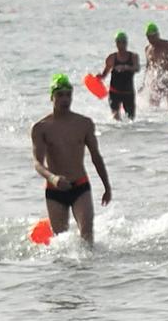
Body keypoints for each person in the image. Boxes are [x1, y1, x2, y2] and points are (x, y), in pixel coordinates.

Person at [30, 74, 113, 244]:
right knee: (62, 242)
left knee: (87, 236)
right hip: (55, 190)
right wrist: (53, 178)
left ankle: (91, 271)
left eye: (68, 94)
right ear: (51, 97)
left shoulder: (84, 124)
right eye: (60, 95)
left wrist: (107, 186)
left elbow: (96, 157)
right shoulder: (41, 128)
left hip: (80, 186)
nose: (65, 99)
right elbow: (37, 163)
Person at [98, 31, 140, 121]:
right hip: (114, 92)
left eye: (123, 42)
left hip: (128, 92)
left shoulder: (133, 56)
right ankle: (117, 134)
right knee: (115, 118)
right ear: (116, 43)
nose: (121, 44)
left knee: (131, 119)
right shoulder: (112, 58)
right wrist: (99, 77)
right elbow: (105, 74)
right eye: (119, 42)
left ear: (126, 43)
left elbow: (137, 68)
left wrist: (126, 67)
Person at [144, 22, 168, 108]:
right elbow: (148, 68)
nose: (151, 39)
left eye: (153, 36)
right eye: (149, 37)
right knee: (153, 108)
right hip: (155, 83)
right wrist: (144, 84)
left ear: (158, 34)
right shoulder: (148, 49)